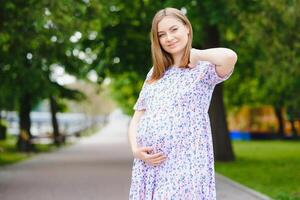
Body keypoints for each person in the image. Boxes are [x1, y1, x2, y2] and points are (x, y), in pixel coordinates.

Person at [128, 7, 237, 200]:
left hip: (186, 162)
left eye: (174, 29)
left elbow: (229, 57)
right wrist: (136, 150)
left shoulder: (203, 68)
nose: (169, 37)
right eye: (162, 34)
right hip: (150, 165)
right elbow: (138, 116)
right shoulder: (155, 73)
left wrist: (197, 54)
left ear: (187, 28)